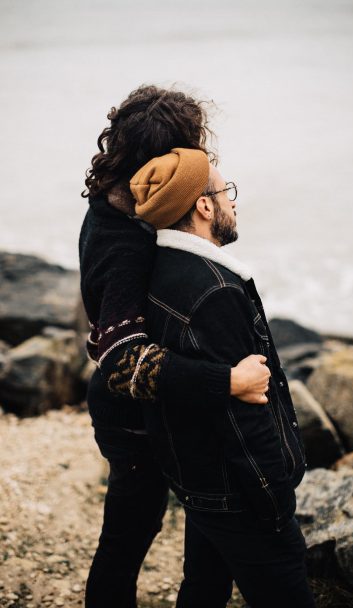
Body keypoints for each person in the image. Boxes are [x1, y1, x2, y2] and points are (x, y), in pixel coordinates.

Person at [78, 85, 271, 608]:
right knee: (130, 534)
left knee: (207, 540)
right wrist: (225, 381)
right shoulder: (120, 234)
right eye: (192, 147)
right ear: (163, 157)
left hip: (176, 408)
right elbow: (121, 360)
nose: (202, 158)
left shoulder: (143, 208)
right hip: (132, 418)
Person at [130, 147, 316, 608]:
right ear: (204, 206)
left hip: (199, 478)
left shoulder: (157, 272)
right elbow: (244, 416)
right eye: (226, 191)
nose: (233, 202)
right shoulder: (215, 291)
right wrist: (276, 503)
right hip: (238, 493)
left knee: (204, 589)